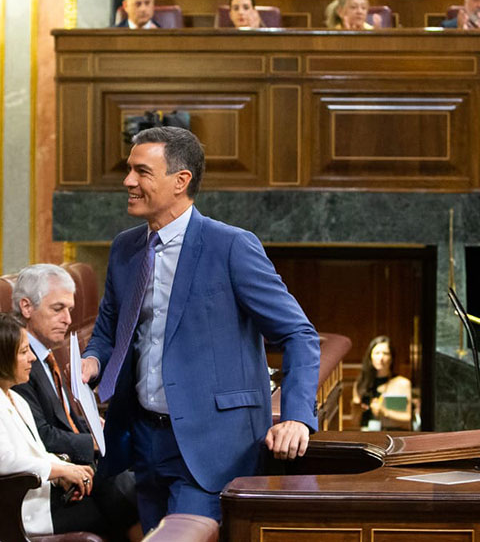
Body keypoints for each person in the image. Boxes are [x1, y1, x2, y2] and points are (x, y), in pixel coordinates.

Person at [80, 126, 320, 531]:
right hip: (143, 441)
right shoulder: (125, 248)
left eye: (141, 171)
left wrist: (297, 416)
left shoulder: (231, 246)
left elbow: (299, 333)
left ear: (181, 181)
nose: (127, 182)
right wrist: (91, 360)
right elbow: (108, 329)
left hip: (214, 446)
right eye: (129, 171)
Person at [10, 264, 142, 541]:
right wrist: (91, 441)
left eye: (70, 309)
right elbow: (41, 435)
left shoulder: (46, 354)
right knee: (135, 497)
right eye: (58, 309)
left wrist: (93, 425)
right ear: (26, 306)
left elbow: (64, 416)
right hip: (52, 485)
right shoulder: (18, 363)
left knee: (145, 482)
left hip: (80, 467)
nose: (68, 319)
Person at [0, 312, 136, 539]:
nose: (32, 358)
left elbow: (39, 452)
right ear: (1, 357)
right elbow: (5, 462)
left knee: (117, 488)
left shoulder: (17, 399)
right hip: (27, 509)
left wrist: (66, 472)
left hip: (49, 493)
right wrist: (61, 470)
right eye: (24, 352)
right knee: (119, 508)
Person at [352, 336, 412, 430]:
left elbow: (407, 418)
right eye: (377, 353)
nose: (381, 358)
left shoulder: (402, 383)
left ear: (392, 358)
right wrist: (357, 409)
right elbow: (355, 422)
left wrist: (384, 412)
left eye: (385, 353)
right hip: (367, 435)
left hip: (394, 435)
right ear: (370, 357)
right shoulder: (361, 384)